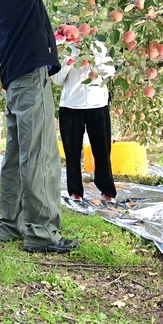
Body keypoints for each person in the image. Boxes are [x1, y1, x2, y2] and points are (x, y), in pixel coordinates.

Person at [0, 0, 81, 254]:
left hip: (15, 83)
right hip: (28, 79)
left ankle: (10, 225)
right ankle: (42, 233)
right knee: (40, 155)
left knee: (16, 157)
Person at [52, 36, 117, 203]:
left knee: (102, 151)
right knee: (72, 152)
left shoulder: (97, 45)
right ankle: (75, 191)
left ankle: (107, 190)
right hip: (71, 107)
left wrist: (95, 66)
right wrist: (70, 61)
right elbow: (56, 79)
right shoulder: (62, 48)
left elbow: (111, 71)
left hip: (97, 105)